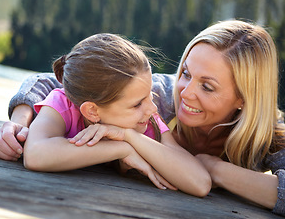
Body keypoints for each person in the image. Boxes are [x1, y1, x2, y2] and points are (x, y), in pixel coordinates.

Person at [0, 20, 285, 216]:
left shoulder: (268, 136)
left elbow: (200, 182)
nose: (185, 93)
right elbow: (58, 81)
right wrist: (20, 122)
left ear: (244, 98)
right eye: (185, 72)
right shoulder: (154, 93)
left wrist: (214, 168)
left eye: (207, 86)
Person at [21, 33, 211, 197]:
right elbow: (36, 155)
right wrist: (122, 149)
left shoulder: (146, 121)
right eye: (137, 104)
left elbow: (200, 183)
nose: (153, 109)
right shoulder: (62, 104)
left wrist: (129, 136)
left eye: (150, 95)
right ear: (92, 111)